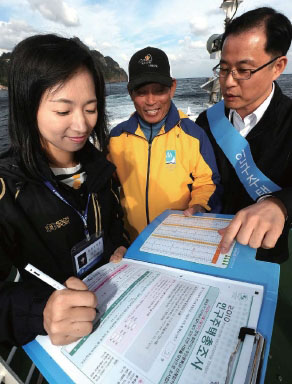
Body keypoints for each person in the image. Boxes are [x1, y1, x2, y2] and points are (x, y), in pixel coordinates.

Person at [0, 34, 129, 347]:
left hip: (112, 313)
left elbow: (113, 227)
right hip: (53, 340)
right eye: (62, 111)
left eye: (91, 108)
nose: (81, 125)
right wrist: (40, 313)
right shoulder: (8, 192)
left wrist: (118, 246)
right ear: (27, 108)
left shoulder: (102, 170)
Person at [196, 7, 292, 263]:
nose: (228, 82)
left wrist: (280, 204)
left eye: (244, 70)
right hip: (210, 248)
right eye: (224, 69)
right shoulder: (206, 121)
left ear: (277, 66)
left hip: (264, 259)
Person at [108, 46, 222, 240]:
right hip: (130, 241)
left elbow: (208, 182)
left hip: (178, 239)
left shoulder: (193, 135)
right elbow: (109, 185)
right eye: (142, 92)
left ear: (172, 88)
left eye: (159, 91)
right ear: (130, 93)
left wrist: (199, 205)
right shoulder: (116, 137)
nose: (151, 101)